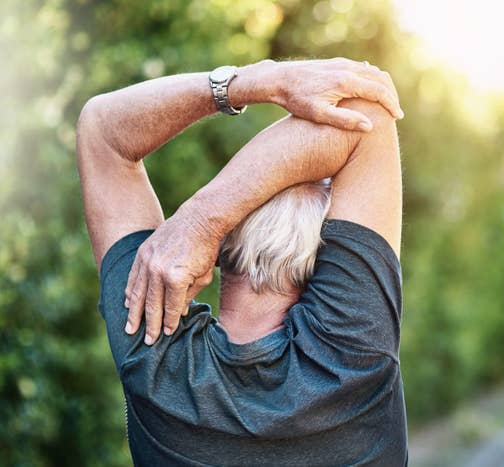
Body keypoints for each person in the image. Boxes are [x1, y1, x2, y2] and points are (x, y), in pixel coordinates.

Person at [77, 57, 406, 466]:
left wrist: (255, 81)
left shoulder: (152, 355)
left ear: (220, 247)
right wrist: (205, 217)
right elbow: (365, 115)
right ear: (336, 262)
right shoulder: (355, 349)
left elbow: (101, 130)